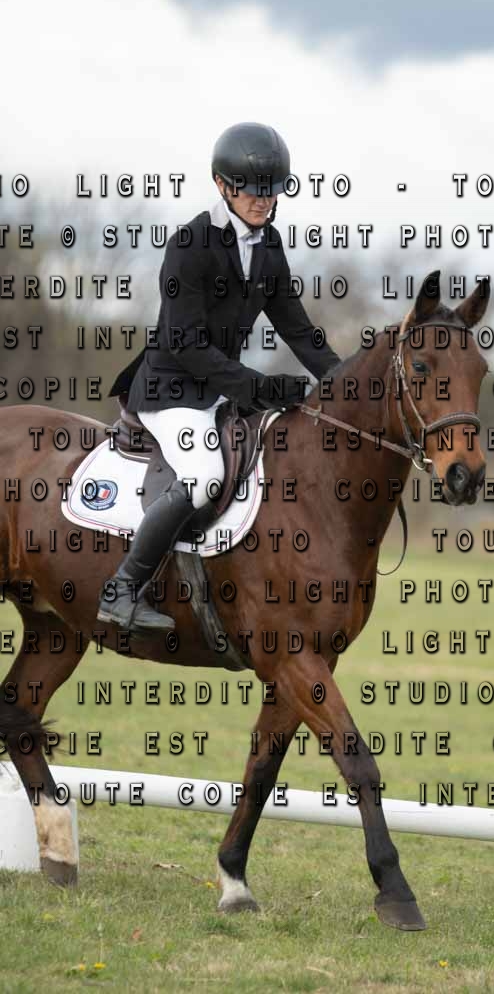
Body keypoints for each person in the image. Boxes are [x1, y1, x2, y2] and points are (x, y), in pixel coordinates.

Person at [99, 122, 341, 634]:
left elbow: (298, 331)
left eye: (272, 189)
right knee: (205, 475)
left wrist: (348, 384)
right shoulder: (190, 244)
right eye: (252, 189)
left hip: (219, 391)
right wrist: (259, 388)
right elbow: (185, 344)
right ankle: (122, 588)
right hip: (170, 390)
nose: (263, 199)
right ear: (222, 185)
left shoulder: (269, 245)